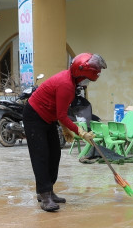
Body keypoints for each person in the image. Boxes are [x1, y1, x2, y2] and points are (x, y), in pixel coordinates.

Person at [23, 53, 101, 212]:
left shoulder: (71, 82)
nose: (87, 83)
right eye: (87, 79)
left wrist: (65, 128)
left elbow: (61, 110)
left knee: (54, 154)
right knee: (41, 155)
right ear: (80, 75)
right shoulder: (66, 84)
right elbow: (62, 116)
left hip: (48, 117)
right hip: (34, 116)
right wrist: (81, 132)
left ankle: (49, 190)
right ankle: (44, 196)